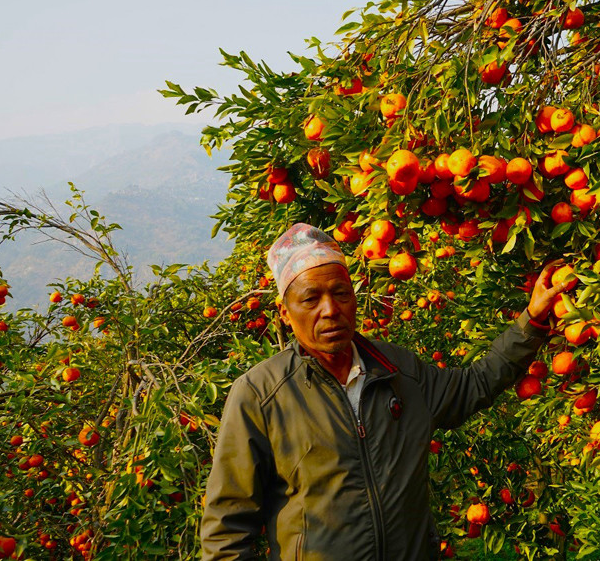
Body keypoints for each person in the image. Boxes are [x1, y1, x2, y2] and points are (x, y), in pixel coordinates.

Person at [200, 223, 567, 560]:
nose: (330, 310)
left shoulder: (397, 371)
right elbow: (226, 533)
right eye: (311, 299)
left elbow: (475, 385)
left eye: (340, 293)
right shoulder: (261, 396)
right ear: (284, 312)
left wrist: (531, 322)